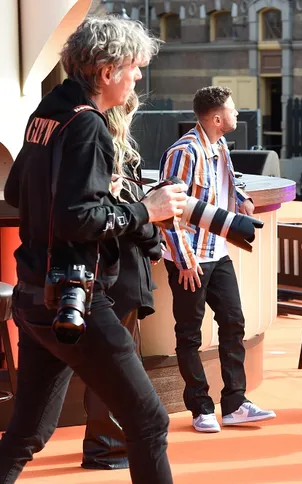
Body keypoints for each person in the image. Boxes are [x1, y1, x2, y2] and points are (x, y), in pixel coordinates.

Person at [0, 17, 185, 484]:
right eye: (134, 67)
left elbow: (18, 191)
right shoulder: (88, 126)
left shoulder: (48, 113)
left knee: (27, 432)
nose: (138, 77)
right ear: (106, 72)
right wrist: (145, 210)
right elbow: (78, 219)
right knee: (148, 420)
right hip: (75, 295)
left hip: (35, 295)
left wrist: (100, 193)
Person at [159, 86, 276, 433]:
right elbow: (168, 210)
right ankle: (200, 408)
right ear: (216, 118)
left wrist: (241, 198)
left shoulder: (220, 145)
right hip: (189, 258)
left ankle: (235, 403)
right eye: (232, 109)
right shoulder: (183, 152)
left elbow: (226, 180)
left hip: (217, 251)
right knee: (190, 335)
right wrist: (184, 259)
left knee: (233, 322)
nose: (237, 113)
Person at [81, 91, 165, 470]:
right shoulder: (113, 162)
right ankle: (106, 446)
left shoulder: (113, 161)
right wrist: (152, 233)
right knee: (114, 366)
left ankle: (107, 443)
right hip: (118, 275)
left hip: (117, 273)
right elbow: (137, 222)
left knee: (112, 364)